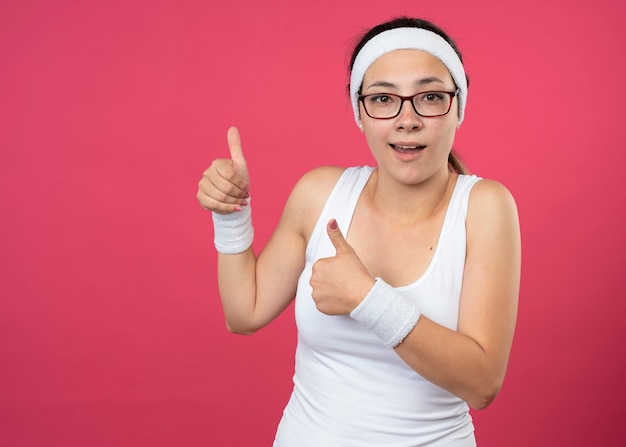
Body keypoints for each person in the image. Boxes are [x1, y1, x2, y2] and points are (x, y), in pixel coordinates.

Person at [197, 16, 521, 447]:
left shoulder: (484, 207)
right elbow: (244, 314)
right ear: (360, 113)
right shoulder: (319, 193)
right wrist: (231, 214)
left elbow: (482, 384)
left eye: (429, 96)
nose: (407, 119)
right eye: (384, 99)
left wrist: (368, 298)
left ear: (458, 107)